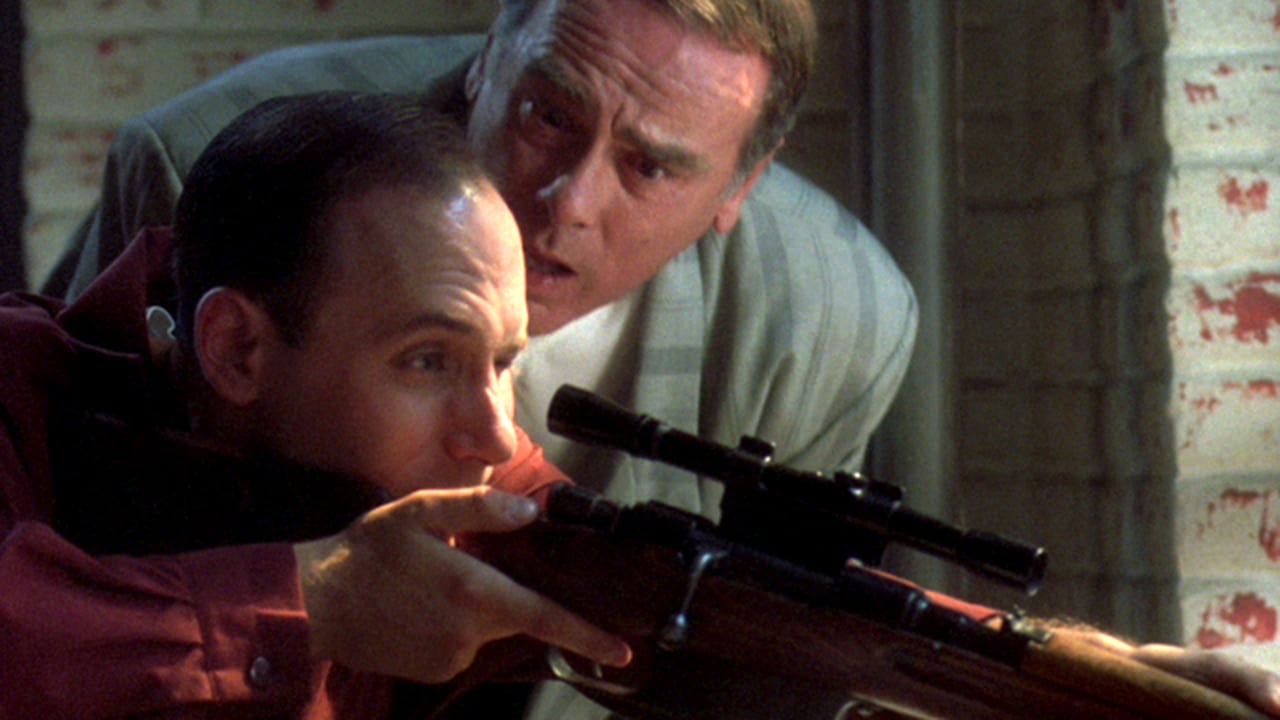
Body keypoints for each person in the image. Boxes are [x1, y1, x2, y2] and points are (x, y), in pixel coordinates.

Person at [35, 1, 1280, 718]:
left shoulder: (827, 311)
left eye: (649, 165)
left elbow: (708, 584)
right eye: (548, 115)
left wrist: (1059, 663)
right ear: (491, 57)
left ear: (741, 185)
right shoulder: (208, 173)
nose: (565, 203)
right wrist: (300, 604)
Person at [0, 90, 632, 719]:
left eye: (502, 362)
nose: (496, 438)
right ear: (237, 349)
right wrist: (316, 602)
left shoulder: (451, 458)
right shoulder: (18, 382)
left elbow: (590, 567)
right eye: (427, 361)